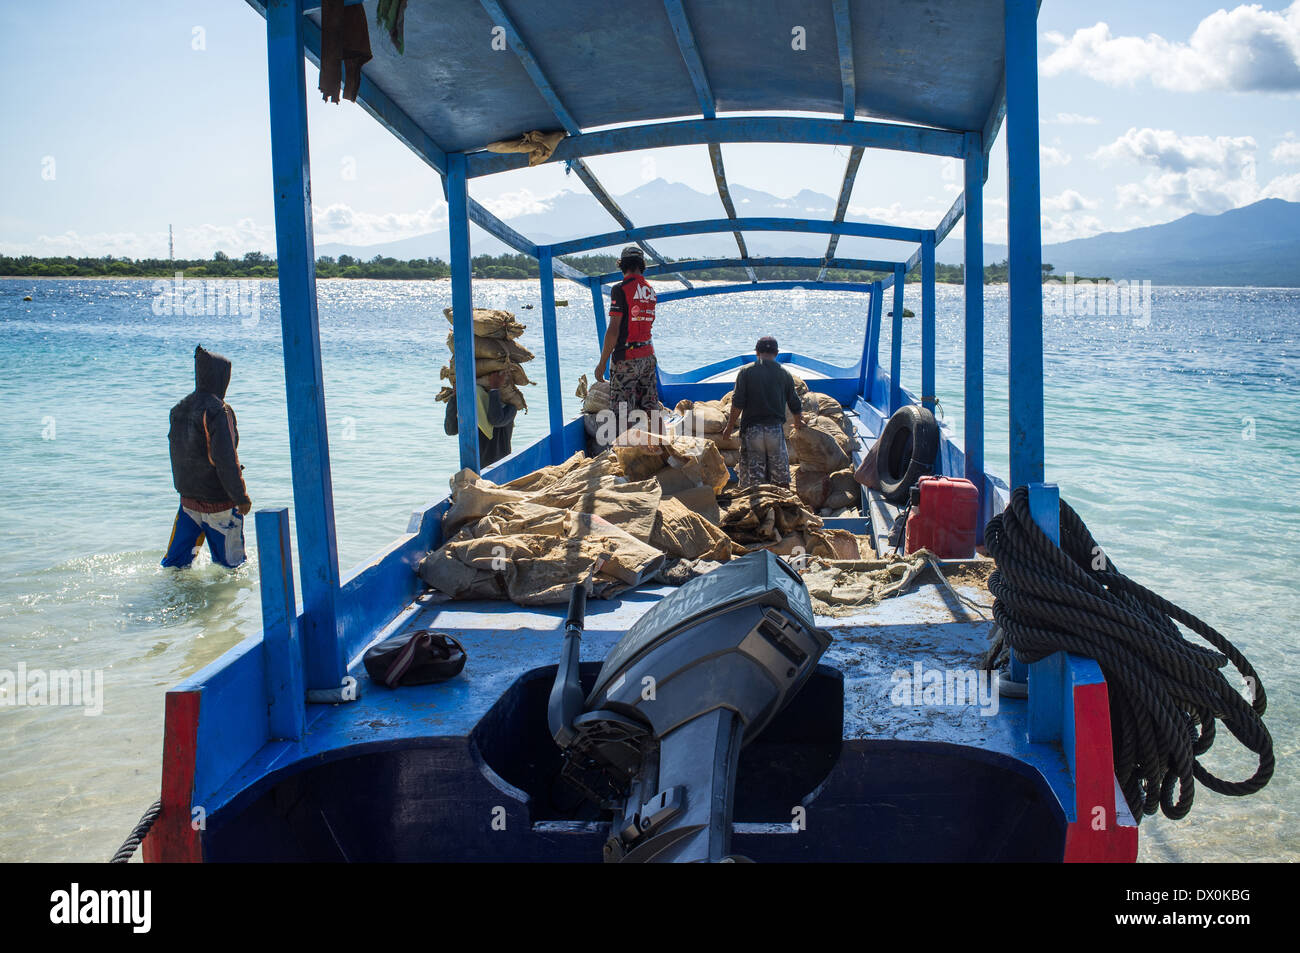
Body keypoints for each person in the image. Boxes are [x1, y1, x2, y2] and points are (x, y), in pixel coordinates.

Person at [162, 346, 252, 569]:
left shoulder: (178, 408)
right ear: (222, 378)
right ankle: (229, 603)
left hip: (188, 503)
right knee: (232, 567)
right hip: (220, 504)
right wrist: (241, 497)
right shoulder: (219, 410)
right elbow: (226, 459)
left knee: (175, 567)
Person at [721, 336, 804, 489]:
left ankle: (758, 505)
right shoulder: (784, 373)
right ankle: (785, 505)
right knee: (781, 476)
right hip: (774, 431)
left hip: (753, 431)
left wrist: (729, 426)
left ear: (757, 352)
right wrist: (799, 421)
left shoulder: (746, 372)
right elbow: (794, 401)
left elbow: (738, 402)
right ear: (777, 353)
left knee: (754, 479)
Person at [595, 245, 660, 434]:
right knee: (651, 407)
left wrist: (602, 363)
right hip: (648, 356)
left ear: (622, 266)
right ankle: (662, 450)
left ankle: (626, 454)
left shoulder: (620, 289)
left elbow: (614, 329)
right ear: (642, 266)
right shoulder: (650, 290)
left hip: (626, 358)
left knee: (623, 412)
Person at [444, 369, 518, 467]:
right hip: (473, 469)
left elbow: (495, 420)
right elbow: (450, 429)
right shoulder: (470, 410)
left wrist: (494, 389)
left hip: (499, 468)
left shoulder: (509, 408)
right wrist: (455, 398)